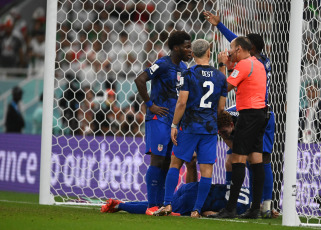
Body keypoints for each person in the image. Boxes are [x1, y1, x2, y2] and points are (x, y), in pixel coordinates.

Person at [153, 39, 227, 218]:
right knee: (207, 170)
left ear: (192, 54)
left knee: (176, 163)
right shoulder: (220, 77)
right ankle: (197, 210)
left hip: (189, 126)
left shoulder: (188, 74)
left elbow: (182, 102)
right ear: (209, 53)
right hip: (209, 128)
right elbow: (221, 108)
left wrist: (174, 125)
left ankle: (168, 204)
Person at [134, 31, 192, 215]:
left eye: (191, 46)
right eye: (186, 46)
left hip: (174, 122)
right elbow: (140, 79)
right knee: (157, 160)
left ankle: (163, 206)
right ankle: (152, 205)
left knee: (169, 163)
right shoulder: (162, 64)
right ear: (176, 48)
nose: (190, 50)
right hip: (159, 119)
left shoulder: (184, 68)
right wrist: (150, 105)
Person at [211, 36, 267, 219]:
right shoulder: (257, 63)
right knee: (256, 159)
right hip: (261, 114)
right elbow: (242, 80)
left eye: (232, 48)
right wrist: (229, 67)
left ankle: (231, 208)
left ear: (240, 50)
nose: (229, 51)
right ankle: (256, 209)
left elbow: (224, 87)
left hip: (249, 115)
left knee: (238, 158)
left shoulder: (244, 64)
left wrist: (221, 65)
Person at [203, 10, 271, 105]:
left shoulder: (250, 64)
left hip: (253, 107)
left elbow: (224, 88)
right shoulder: (263, 60)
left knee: (222, 116)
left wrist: (222, 65)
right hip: (259, 106)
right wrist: (219, 25)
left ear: (251, 47)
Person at [217, 109, 276, 218]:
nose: (222, 135)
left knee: (259, 160)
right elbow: (234, 147)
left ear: (231, 125)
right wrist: (225, 137)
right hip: (246, 119)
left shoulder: (238, 121)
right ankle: (240, 202)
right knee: (231, 161)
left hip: (263, 118)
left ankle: (267, 205)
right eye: (220, 133)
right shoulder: (223, 123)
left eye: (224, 132)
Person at [101, 182, 250, 217]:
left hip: (191, 187)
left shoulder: (244, 189)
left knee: (160, 205)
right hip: (193, 201)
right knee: (160, 211)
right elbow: (209, 212)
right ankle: (121, 206)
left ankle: (122, 203)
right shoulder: (241, 208)